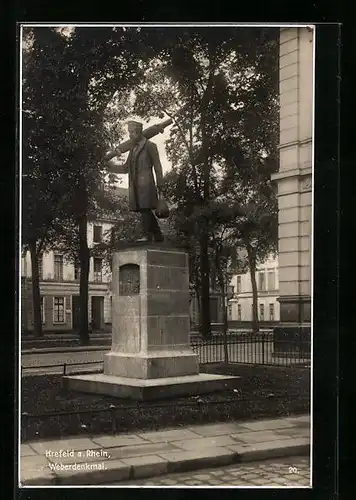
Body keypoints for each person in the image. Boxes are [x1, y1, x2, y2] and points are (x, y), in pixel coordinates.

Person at [106, 121, 165, 243]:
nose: (130, 135)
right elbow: (125, 168)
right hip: (135, 185)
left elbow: (158, 168)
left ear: (139, 131)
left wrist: (161, 188)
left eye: (132, 132)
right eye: (129, 132)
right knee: (144, 210)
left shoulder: (150, 146)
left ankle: (147, 235)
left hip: (147, 184)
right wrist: (109, 167)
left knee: (145, 209)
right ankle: (158, 235)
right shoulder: (133, 149)